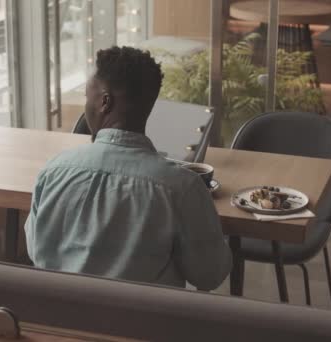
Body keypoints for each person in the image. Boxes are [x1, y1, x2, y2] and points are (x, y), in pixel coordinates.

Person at [24, 46, 231, 290]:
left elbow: (35, 249)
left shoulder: (54, 171)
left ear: (104, 102)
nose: (85, 106)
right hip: (141, 326)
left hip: (56, 321)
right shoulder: (181, 187)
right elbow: (209, 276)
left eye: (86, 98)